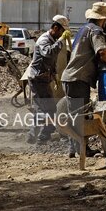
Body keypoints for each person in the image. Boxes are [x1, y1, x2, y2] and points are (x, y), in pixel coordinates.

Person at [61, 2, 106, 157]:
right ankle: (82, 149)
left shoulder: (83, 29)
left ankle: (74, 149)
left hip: (71, 77)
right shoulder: (96, 30)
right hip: (78, 77)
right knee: (81, 115)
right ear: (103, 19)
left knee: (75, 113)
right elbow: (102, 51)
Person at [26, 15, 72, 144]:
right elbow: (48, 53)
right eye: (62, 31)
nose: (62, 34)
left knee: (42, 109)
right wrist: (61, 40)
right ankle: (41, 137)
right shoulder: (44, 40)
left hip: (44, 78)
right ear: (56, 28)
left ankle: (33, 136)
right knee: (49, 110)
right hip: (37, 79)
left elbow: (51, 62)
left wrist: (55, 76)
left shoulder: (52, 39)